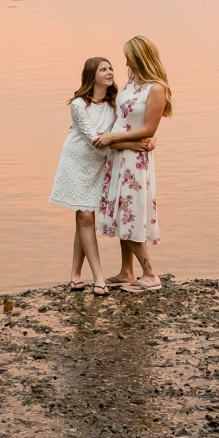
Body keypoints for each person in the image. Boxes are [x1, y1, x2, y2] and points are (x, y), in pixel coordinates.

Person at [48, 56, 151, 294]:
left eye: (111, 68)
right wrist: (131, 146)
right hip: (76, 162)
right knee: (85, 218)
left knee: (82, 220)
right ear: (91, 75)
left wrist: (148, 137)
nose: (109, 71)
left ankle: (74, 276)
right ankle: (99, 277)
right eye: (103, 69)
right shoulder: (78, 105)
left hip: (102, 165)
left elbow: (130, 124)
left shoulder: (116, 102)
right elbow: (96, 141)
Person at [95, 35, 172, 292]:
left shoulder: (156, 88)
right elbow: (123, 116)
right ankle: (126, 272)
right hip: (118, 154)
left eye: (128, 54)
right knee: (121, 210)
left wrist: (116, 137)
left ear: (139, 56)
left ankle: (150, 275)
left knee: (132, 212)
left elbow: (149, 126)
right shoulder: (132, 80)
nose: (125, 59)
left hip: (135, 159)